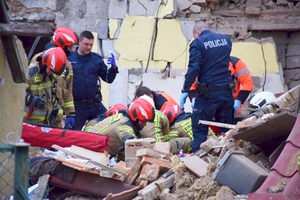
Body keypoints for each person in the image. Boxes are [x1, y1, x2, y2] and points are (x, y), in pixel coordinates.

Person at [180, 21, 234, 152]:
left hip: (207, 96)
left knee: (199, 132)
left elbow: (194, 68)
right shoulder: (226, 40)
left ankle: (199, 166)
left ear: (197, 33)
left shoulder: (197, 43)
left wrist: (185, 89)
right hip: (226, 93)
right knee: (227, 134)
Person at [181, 55, 254, 126]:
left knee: (228, 134)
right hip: (207, 110)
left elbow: (248, 83)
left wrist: (238, 101)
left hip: (230, 110)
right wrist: (193, 98)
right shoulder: (200, 65)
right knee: (209, 135)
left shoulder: (236, 63)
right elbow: (191, 85)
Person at [68, 30, 119, 130]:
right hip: (78, 107)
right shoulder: (69, 59)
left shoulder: (97, 60)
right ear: (79, 42)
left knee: (111, 123)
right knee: (72, 135)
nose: (89, 47)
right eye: (86, 44)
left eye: (91, 45)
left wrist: (113, 68)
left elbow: (108, 79)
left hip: (95, 105)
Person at [30, 26, 79, 128]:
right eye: (70, 47)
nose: (72, 51)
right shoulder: (39, 60)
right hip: (39, 116)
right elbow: (31, 86)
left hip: (57, 117)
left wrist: (71, 114)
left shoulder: (68, 66)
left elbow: (68, 91)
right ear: (62, 46)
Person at [88, 95, 155, 159]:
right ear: (135, 117)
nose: (145, 124)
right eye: (143, 121)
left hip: (97, 149)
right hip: (93, 152)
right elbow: (133, 144)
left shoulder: (123, 118)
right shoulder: (124, 125)